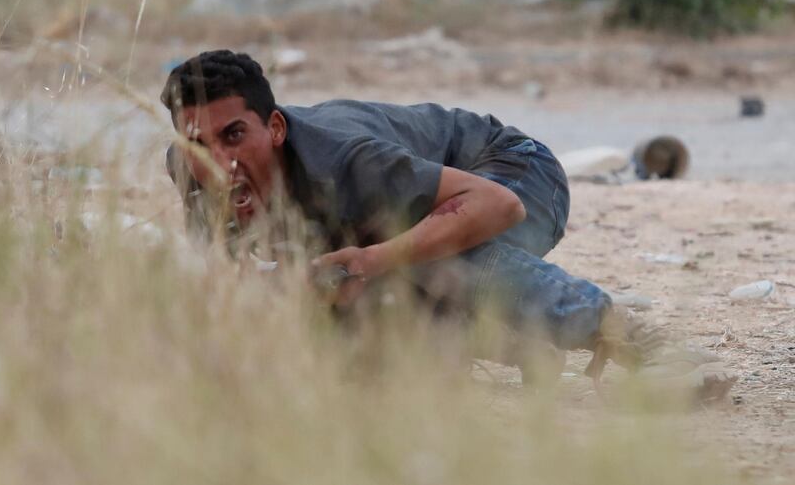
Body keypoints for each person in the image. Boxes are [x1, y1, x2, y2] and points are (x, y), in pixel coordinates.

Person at [160, 50, 736, 401]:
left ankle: (637, 341)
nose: (217, 160)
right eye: (197, 143)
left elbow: (496, 207)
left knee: (426, 251)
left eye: (234, 135)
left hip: (515, 171)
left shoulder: (347, 160)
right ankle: (511, 338)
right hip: (420, 214)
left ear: (276, 129)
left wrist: (373, 261)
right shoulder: (189, 171)